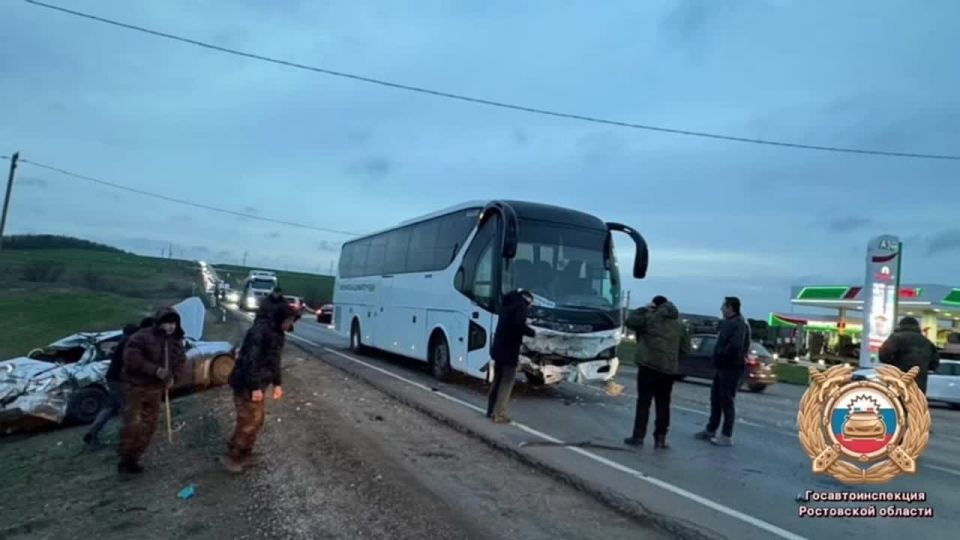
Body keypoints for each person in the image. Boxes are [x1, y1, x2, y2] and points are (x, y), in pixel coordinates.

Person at [222, 302, 301, 473]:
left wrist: (277, 383)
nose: (291, 325)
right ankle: (234, 456)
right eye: (290, 320)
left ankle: (244, 452)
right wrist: (255, 387)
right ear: (282, 318)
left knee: (257, 420)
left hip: (257, 383)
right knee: (249, 421)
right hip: (246, 383)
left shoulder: (278, 334)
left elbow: (274, 361)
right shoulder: (260, 332)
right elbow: (251, 360)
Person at [117, 308, 186, 474]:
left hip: (155, 389)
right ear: (159, 322)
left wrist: (174, 377)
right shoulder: (142, 336)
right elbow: (131, 358)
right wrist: (154, 370)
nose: (170, 327)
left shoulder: (176, 341)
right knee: (133, 423)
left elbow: (180, 361)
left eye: (173, 323)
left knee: (150, 425)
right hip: (136, 387)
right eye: (167, 322)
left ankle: (134, 457)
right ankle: (125, 457)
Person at [624, 296, 690, 449]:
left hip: (648, 366)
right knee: (663, 405)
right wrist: (673, 360)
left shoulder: (649, 318)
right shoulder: (679, 325)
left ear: (655, 306)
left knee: (643, 403)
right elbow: (686, 349)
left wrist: (644, 309)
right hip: (667, 370)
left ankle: (638, 436)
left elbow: (630, 321)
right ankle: (660, 438)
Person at [83, 318, 153, 446]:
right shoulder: (132, 342)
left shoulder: (126, 339)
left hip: (112, 378)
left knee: (111, 407)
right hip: (121, 380)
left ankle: (91, 434)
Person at [695, 296, 751, 447]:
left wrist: (721, 354)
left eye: (724, 306)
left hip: (731, 367)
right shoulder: (728, 323)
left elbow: (735, 346)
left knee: (727, 400)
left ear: (731, 308)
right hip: (722, 366)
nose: (721, 309)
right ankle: (711, 429)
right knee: (715, 399)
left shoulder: (739, 324)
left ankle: (726, 435)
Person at [486, 289, 536, 423]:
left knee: (497, 380)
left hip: (498, 348)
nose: (530, 306)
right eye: (531, 303)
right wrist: (531, 332)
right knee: (507, 382)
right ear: (527, 298)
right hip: (509, 350)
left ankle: (490, 410)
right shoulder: (521, 306)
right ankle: (499, 414)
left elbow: (510, 323)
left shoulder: (507, 304)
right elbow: (518, 325)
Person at [879, 316, 939, 393]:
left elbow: (883, 355)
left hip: (898, 379)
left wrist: (892, 364)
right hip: (919, 385)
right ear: (917, 327)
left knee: (897, 402)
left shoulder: (895, 338)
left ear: (900, 325)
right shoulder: (926, 342)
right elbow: (934, 364)